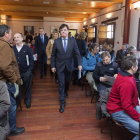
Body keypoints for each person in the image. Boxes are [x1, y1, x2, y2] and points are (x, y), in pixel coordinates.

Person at [51, 24, 82, 113]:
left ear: (68, 31)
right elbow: (53, 55)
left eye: (65, 30)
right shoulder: (56, 41)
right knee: (61, 83)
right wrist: (53, 66)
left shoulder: (73, 41)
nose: (63, 31)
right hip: (59, 66)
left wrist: (80, 63)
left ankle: (66, 91)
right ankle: (62, 102)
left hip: (69, 65)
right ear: (60, 32)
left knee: (68, 81)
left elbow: (77, 53)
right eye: (61, 30)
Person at [0, 24, 25, 136]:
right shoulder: (4, 45)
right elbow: (5, 67)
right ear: (6, 33)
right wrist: (14, 79)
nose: (12, 36)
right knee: (11, 105)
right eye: (10, 33)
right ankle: (12, 129)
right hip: (5, 82)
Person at [107, 55, 139, 140]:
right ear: (132, 67)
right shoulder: (126, 82)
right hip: (117, 110)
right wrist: (138, 117)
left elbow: (133, 95)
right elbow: (126, 106)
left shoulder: (126, 74)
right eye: (137, 64)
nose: (138, 66)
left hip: (128, 105)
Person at [13, 33, 34, 108]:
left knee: (27, 88)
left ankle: (27, 101)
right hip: (16, 73)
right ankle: (18, 101)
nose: (16, 39)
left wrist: (29, 71)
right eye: (15, 37)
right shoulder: (12, 49)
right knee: (17, 87)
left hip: (26, 72)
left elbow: (31, 60)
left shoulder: (27, 48)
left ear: (22, 38)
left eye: (18, 37)